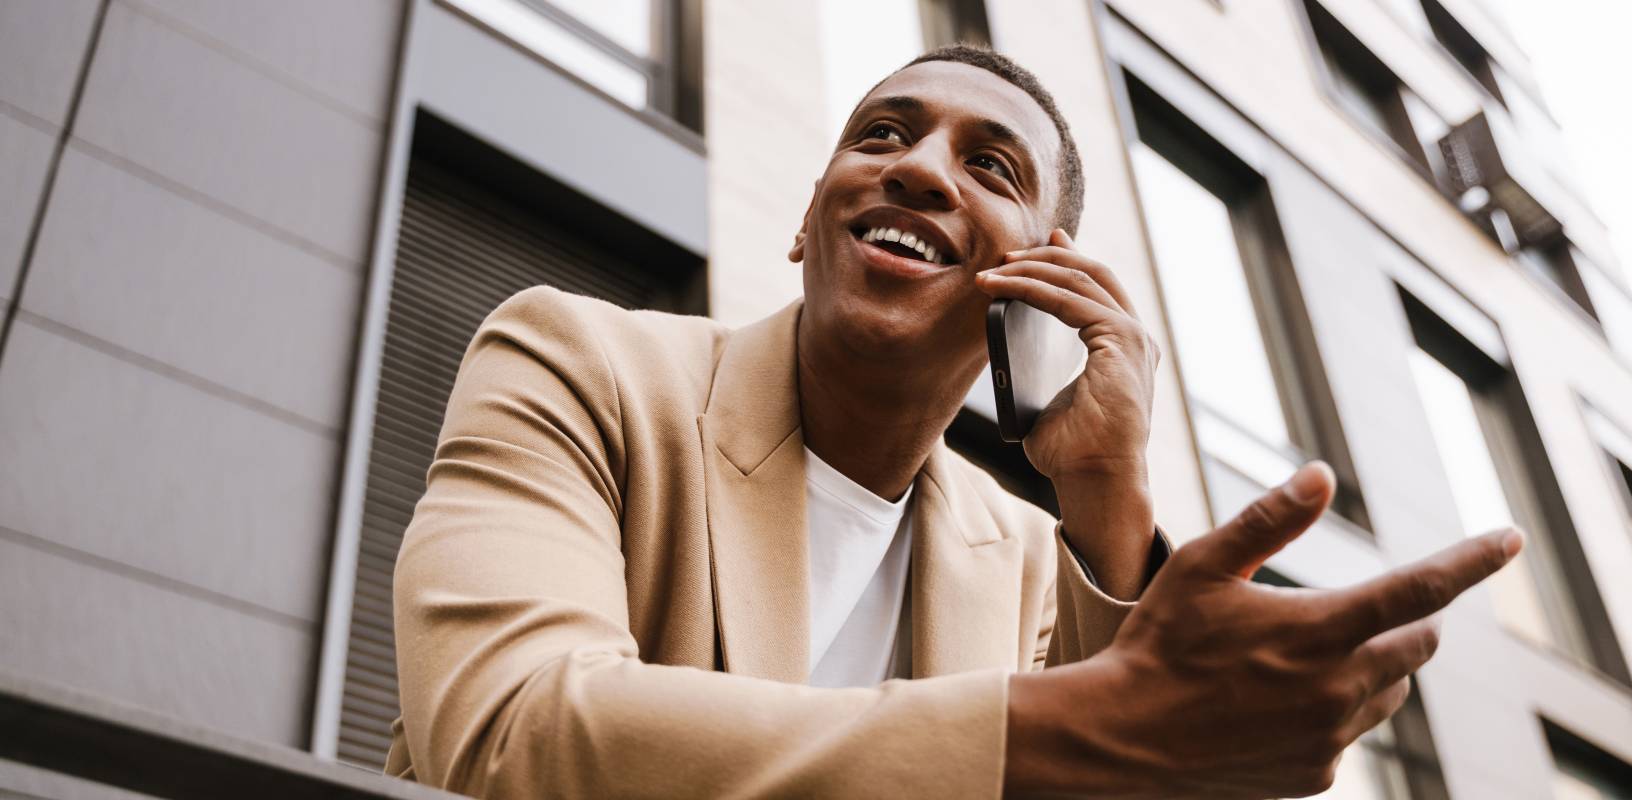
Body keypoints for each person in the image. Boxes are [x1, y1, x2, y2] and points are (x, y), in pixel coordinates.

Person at [384, 43, 1522, 798]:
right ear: (804, 220)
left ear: (1041, 282)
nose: (920, 169)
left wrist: (1110, 494)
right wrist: (1058, 733)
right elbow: (505, 733)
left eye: (989, 165)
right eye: (883, 134)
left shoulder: (1027, 552)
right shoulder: (577, 361)